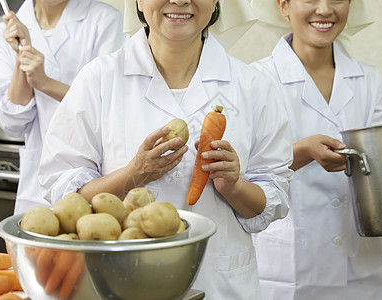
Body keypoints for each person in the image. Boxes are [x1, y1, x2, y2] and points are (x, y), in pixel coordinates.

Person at [38, 0, 294, 298]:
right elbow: (65, 198)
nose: (180, 1)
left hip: (220, 285)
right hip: (122, 282)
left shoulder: (253, 86)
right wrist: (133, 175)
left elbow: (272, 197)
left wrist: (234, 187)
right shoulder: (98, 79)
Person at [249, 0, 382, 299]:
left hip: (363, 274)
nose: (325, 9)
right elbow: (239, 174)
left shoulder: (368, 79)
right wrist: (301, 152)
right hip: (287, 274)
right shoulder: (254, 80)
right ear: (284, 6)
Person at [0, 0, 129, 214]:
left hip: (96, 181)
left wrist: (45, 83)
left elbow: (111, 107)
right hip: (36, 186)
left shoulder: (105, 21)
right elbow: (13, 123)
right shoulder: (5, 33)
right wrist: (20, 55)